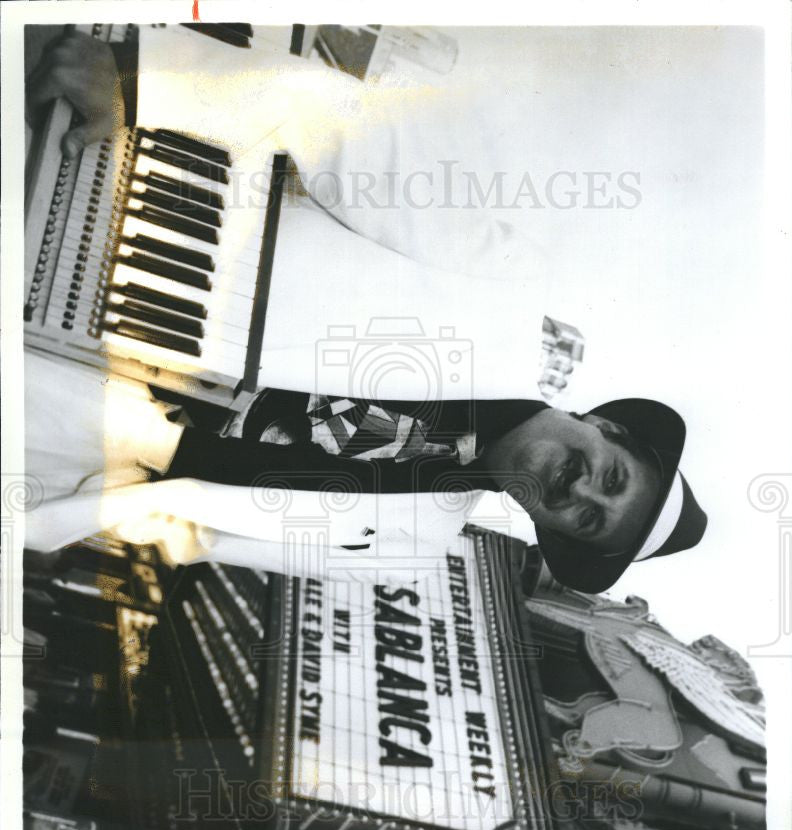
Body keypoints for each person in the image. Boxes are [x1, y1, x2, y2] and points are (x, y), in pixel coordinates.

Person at [23, 28, 707, 593]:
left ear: (551, 533)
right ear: (608, 427)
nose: (581, 490)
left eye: (590, 519)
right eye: (612, 478)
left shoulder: (407, 547)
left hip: (55, 430)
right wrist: (146, 84)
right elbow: (338, 128)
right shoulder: (503, 288)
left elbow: (194, 536)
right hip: (97, 229)